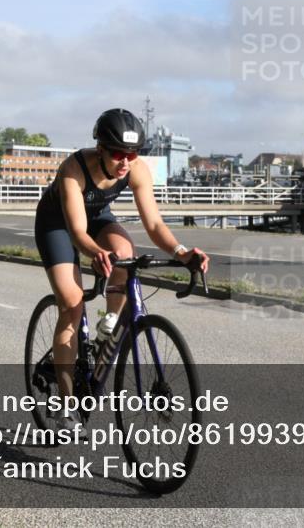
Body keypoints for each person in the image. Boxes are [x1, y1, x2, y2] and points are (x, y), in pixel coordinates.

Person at [33, 108, 209, 423]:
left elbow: (154, 225)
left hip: (97, 216)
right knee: (72, 305)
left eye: (133, 153)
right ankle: (65, 404)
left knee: (125, 251)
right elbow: (77, 232)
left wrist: (183, 252)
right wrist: (95, 252)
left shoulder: (135, 169)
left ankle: (108, 327)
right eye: (117, 154)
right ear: (100, 148)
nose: (126, 161)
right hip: (57, 223)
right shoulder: (74, 169)